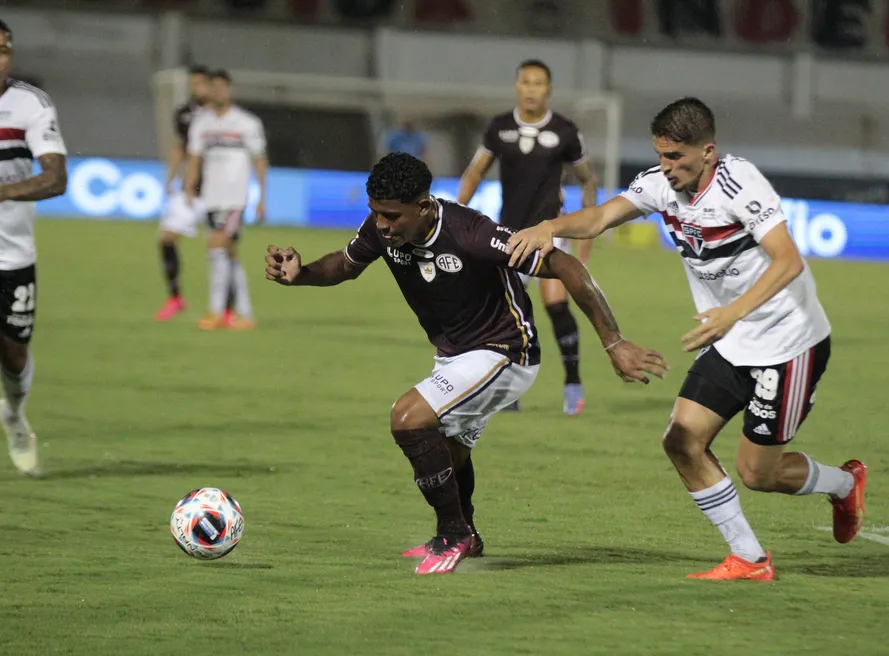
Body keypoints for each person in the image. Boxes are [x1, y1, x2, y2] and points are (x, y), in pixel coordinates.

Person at [507, 97, 867, 581]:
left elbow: (788, 260)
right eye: (661, 156)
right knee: (681, 441)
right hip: (731, 339)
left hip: (789, 342)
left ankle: (845, 484)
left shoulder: (740, 184)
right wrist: (550, 226)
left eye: (676, 157)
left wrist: (731, 314)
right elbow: (599, 218)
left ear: (708, 152)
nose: (666, 167)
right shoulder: (660, 186)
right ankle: (750, 559)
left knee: (758, 473)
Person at [265, 152, 666, 575]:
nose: (381, 225)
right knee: (447, 452)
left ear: (423, 207)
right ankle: (465, 536)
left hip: (506, 351)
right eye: (375, 213)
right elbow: (346, 265)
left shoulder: (470, 232)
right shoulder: (383, 231)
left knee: (407, 418)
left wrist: (613, 341)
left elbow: (566, 266)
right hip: (456, 356)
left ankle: (453, 535)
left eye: (391, 216)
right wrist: (302, 272)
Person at [458, 59, 598, 416]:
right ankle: (510, 392)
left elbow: (587, 180)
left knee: (555, 305)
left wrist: (587, 235)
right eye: (526, 82)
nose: (532, 89)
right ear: (517, 86)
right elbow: (475, 171)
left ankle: (572, 384)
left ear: (549, 90)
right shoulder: (499, 128)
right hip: (507, 235)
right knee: (506, 315)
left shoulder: (565, 131)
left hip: (551, 231)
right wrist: (455, 213)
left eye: (539, 83)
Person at [0, 20, 68, 476]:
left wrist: (2, 193)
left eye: (5, 49)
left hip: (12, 255)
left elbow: (56, 178)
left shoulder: (29, 105)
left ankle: (14, 415)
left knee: (13, 353)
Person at [184, 70, 267, 330]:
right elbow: (195, 158)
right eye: (214, 87)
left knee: (216, 245)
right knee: (228, 253)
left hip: (235, 197)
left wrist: (262, 197)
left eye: (223, 87)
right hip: (211, 196)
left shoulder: (247, 123)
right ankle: (244, 313)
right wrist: (188, 187)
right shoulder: (201, 123)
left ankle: (216, 312)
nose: (218, 92)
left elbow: (260, 160)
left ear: (229, 90)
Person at [155, 65, 216, 323]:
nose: (197, 88)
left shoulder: (223, 115)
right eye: (194, 84)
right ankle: (176, 297)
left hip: (218, 190)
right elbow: (181, 147)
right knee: (167, 239)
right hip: (191, 190)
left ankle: (225, 309)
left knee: (222, 250)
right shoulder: (185, 114)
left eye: (201, 83)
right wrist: (171, 178)